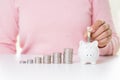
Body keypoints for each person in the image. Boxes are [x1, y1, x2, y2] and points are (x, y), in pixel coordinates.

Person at [0, 0, 119, 55]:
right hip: (32, 72)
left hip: (85, 73)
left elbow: (114, 40)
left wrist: (101, 44)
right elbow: (3, 46)